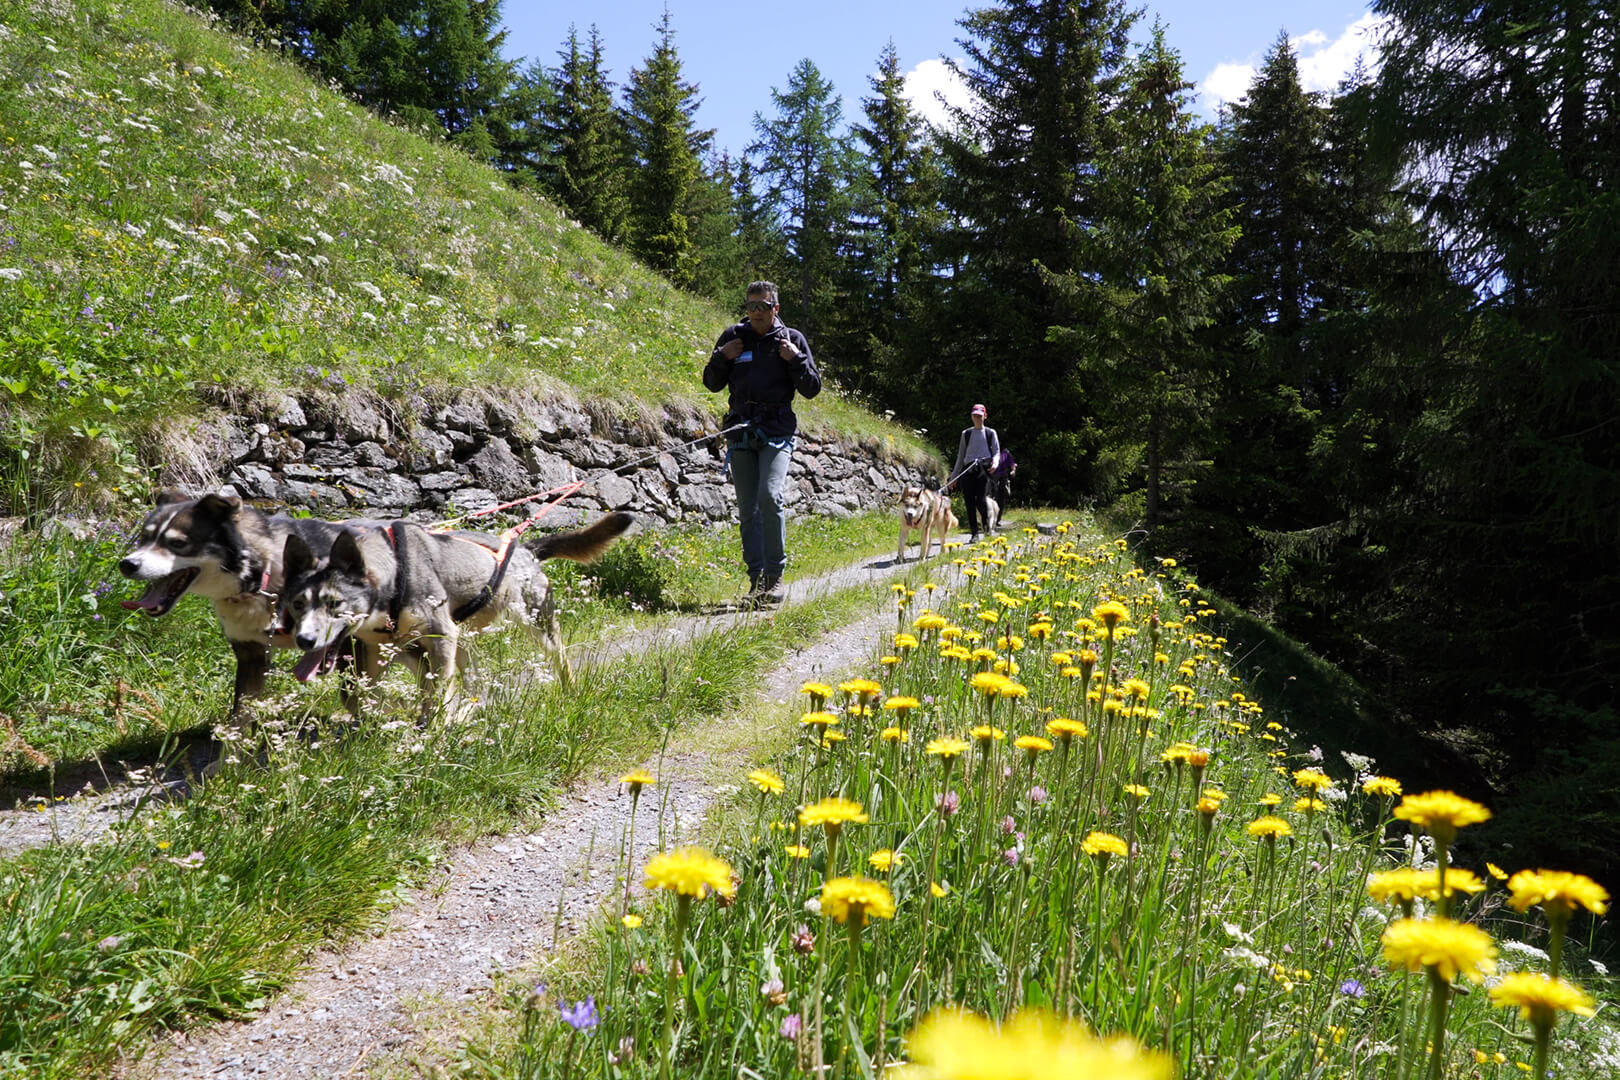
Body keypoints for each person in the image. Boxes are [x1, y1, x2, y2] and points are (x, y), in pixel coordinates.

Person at [702, 281, 820, 604]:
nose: (755, 312)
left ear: (775, 309)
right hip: (740, 433)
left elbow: (811, 388)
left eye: (762, 307)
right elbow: (711, 383)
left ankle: (775, 574)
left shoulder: (791, 339)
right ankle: (757, 582)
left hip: (777, 431)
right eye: (751, 306)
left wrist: (795, 360)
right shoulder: (733, 337)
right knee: (747, 509)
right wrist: (722, 357)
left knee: (770, 496)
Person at [946, 403, 999, 543]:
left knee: (981, 500)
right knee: (969, 502)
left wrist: (995, 463)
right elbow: (960, 456)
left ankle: (987, 527)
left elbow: (996, 452)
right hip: (968, 470)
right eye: (975, 415)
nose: (977, 418)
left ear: (985, 416)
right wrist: (953, 478)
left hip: (983, 469)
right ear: (971, 416)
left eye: (980, 416)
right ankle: (974, 534)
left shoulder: (990, 433)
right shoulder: (966, 434)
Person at [988, 445, 1017, 529]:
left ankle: (998, 520)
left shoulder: (1005, 452)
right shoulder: (990, 451)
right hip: (993, 477)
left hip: (1003, 477)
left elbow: (1012, 463)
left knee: (1002, 499)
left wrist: (1013, 470)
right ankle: (990, 519)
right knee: (993, 498)